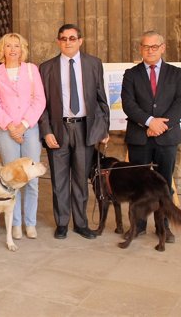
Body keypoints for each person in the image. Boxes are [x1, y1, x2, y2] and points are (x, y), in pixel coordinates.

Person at [39, 24, 110, 240]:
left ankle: (80, 223)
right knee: (59, 180)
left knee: (80, 179)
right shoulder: (46, 67)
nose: (68, 42)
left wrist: (103, 128)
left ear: (80, 40)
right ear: (58, 41)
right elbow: (42, 104)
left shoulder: (93, 64)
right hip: (59, 129)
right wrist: (46, 131)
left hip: (85, 128)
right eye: (63, 38)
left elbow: (101, 99)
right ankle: (61, 223)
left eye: (72, 38)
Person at [121, 30, 181, 243]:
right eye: (145, 47)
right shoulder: (131, 74)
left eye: (154, 47)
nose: (149, 50)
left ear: (162, 48)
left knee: (164, 184)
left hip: (166, 139)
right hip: (139, 138)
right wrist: (150, 122)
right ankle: (138, 225)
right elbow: (128, 104)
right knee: (138, 184)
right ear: (140, 49)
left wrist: (161, 125)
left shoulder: (176, 73)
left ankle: (164, 227)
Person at [0, 33, 46, 240]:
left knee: (31, 178)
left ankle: (30, 222)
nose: (13, 50)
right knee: (12, 179)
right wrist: (10, 127)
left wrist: (22, 125)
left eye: (17, 46)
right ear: (1, 50)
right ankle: (15, 224)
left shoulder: (32, 70)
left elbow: (39, 100)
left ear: (23, 49)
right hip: (6, 130)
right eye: (8, 46)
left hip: (28, 128)